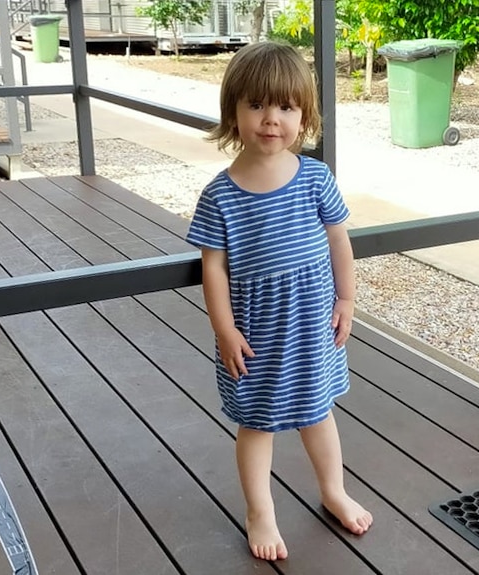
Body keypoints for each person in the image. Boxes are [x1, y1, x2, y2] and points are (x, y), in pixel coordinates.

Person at [185, 41, 373, 561]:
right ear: (234, 111)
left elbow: (339, 240)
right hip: (256, 334)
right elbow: (213, 267)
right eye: (257, 105)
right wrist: (224, 329)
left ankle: (332, 490)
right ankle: (259, 511)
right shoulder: (220, 195)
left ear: (304, 116)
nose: (272, 120)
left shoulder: (315, 178)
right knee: (258, 423)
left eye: (287, 107)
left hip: (312, 325)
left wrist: (347, 300)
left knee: (319, 414)